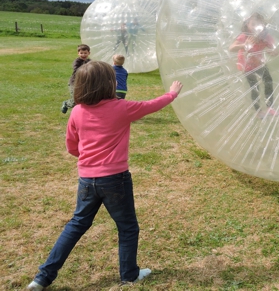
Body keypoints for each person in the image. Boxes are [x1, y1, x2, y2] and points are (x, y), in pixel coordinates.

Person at [27, 61, 183, 290]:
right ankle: (130, 274)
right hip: (115, 180)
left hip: (87, 180)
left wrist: (89, 159)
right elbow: (152, 105)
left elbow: (72, 147)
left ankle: (42, 278)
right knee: (128, 227)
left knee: (77, 224)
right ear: (110, 83)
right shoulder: (122, 107)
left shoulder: (77, 111)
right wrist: (172, 94)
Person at [229, 12, 279, 118]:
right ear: (247, 25)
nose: (256, 27)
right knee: (254, 87)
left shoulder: (265, 36)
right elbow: (231, 48)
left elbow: (274, 50)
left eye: (259, 25)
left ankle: (270, 107)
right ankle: (258, 111)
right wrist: (244, 45)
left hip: (259, 63)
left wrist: (273, 52)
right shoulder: (245, 36)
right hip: (246, 65)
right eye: (253, 24)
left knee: (268, 81)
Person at [61, 44, 91, 114]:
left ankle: (81, 112)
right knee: (75, 100)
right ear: (78, 53)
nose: (83, 55)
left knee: (84, 98)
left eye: (85, 53)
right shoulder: (77, 61)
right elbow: (76, 70)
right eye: (81, 53)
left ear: (89, 53)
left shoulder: (90, 61)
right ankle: (66, 104)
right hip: (74, 83)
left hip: (84, 83)